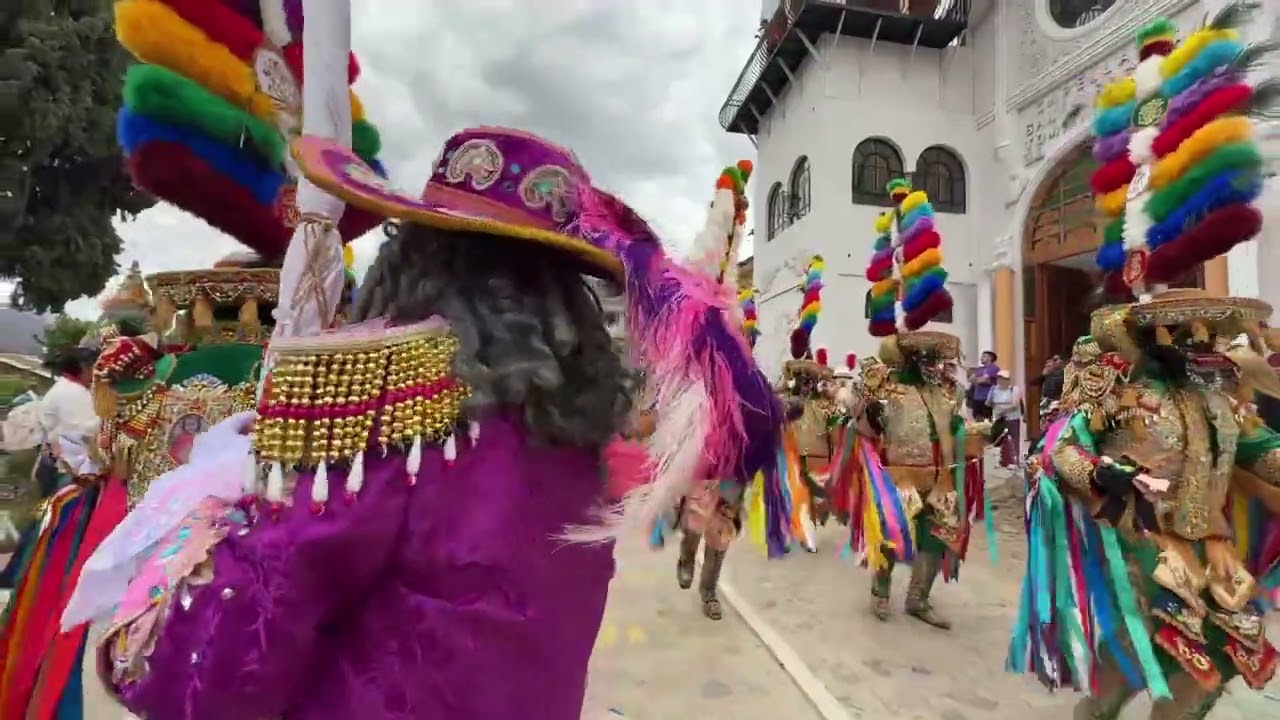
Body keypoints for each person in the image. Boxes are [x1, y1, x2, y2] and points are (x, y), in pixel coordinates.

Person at [80, 127, 780, 719]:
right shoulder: (576, 447)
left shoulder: (391, 424)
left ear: (410, 257)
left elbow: (212, 673)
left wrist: (200, 533)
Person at [1008, 9, 1280, 716]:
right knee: (1117, 685)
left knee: (1203, 683)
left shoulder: (1218, 392)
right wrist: (1102, 473)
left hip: (1213, 556)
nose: (1198, 334)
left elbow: (1254, 449)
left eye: (1204, 324)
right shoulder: (1112, 377)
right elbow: (1061, 449)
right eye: (1184, 324)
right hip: (1135, 554)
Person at [838, 178, 993, 628]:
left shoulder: (946, 391)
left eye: (933, 356)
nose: (930, 362)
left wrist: (978, 436)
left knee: (936, 539)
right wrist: (869, 411)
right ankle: (882, 592)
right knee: (890, 535)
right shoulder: (883, 386)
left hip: (940, 478)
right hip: (897, 477)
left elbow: (959, 430)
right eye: (922, 355)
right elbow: (862, 427)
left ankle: (918, 598)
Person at [987, 370, 1022, 469]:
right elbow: (988, 402)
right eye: (999, 378)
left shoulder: (1014, 389)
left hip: (1011, 417)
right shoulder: (994, 389)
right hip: (998, 418)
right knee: (1001, 439)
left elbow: (1015, 404)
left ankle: (1013, 461)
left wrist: (1003, 409)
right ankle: (1003, 460)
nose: (1001, 381)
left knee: (1012, 439)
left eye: (1004, 379)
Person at [967, 350, 999, 420]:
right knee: (977, 419)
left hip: (987, 399)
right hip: (977, 398)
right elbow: (970, 379)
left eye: (984, 356)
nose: (981, 358)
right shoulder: (979, 369)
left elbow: (983, 380)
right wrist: (980, 380)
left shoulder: (993, 368)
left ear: (990, 358)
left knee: (987, 420)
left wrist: (979, 380)